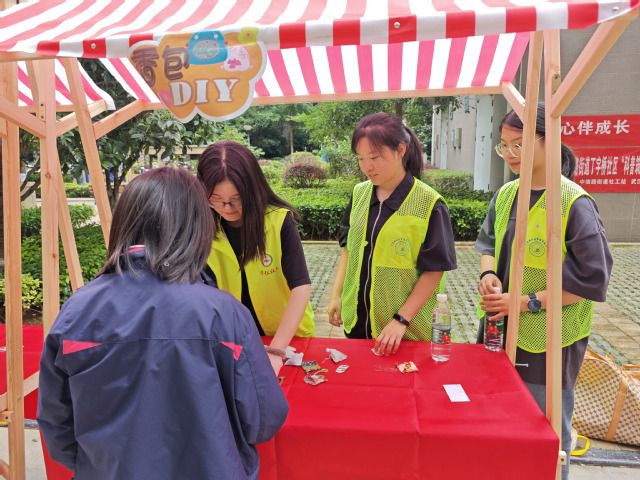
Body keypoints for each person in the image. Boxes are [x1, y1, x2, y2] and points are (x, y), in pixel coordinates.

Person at [38, 167, 288, 480]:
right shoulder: (225, 314)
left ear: (124, 222)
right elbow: (263, 419)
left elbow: (57, 425)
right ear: (197, 227)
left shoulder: (77, 312)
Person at [476, 103, 613, 480]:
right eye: (504, 146)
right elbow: (488, 243)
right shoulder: (506, 194)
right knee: (499, 420)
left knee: (545, 430)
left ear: (548, 140)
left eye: (519, 144)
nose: (510, 154)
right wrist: (488, 274)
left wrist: (524, 302)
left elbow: (592, 279)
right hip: (499, 329)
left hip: (550, 340)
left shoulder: (573, 202)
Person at [328, 112, 457, 355]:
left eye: (374, 157)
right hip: (357, 324)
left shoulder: (430, 204)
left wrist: (401, 320)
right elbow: (349, 249)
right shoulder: (359, 194)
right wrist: (337, 295)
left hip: (404, 333)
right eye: (360, 158)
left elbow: (434, 271)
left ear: (400, 150)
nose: (367, 166)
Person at [197, 141, 314, 374]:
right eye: (216, 198)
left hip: (287, 338)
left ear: (253, 189)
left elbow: (300, 288)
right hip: (235, 340)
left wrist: (277, 350)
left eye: (237, 198)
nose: (227, 207)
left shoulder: (278, 220)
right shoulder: (202, 228)